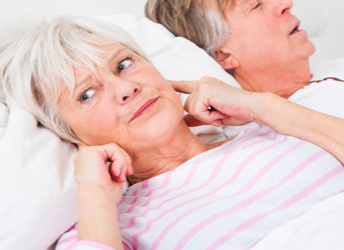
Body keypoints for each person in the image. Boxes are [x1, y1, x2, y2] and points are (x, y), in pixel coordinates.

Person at [1, 16, 344, 250]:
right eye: (87, 94)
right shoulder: (106, 224)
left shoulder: (277, 129)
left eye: (124, 64)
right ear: (72, 136)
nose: (125, 88)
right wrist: (93, 195)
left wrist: (264, 106)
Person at [145, 0, 333, 98]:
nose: (285, 2)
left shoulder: (333, 70)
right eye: (256, 5)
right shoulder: (279, 137)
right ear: (223, 55)